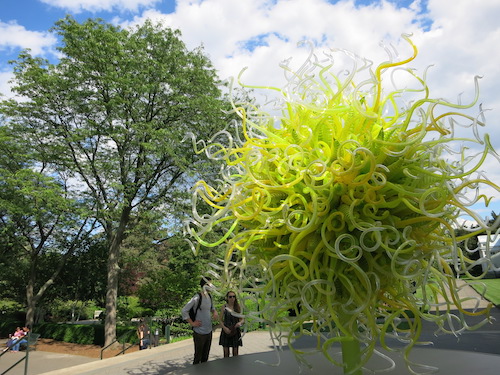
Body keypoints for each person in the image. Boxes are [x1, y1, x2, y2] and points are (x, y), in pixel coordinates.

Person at [181, 276, 219, 364]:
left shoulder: (209, 296)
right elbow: (184, 310)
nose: (210, 286)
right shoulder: (197, 297)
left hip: (208, 330)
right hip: (199, 332)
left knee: (205, 357)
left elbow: (212, 307)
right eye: (208, 284)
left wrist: (214, 311)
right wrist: (192, 323)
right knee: (198, 356)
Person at [219, 291, 244, 357]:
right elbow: (220, 320)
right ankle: (226, 367)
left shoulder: (237, 307)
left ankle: (235, 367)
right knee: (226, 352)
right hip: (226, 329)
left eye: (234, 296)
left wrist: (239, 323)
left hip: (235, 330)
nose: (232, 298)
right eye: (230, 297)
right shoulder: (224, 307)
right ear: (227, 298)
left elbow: (242, 319)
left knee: (235, 352)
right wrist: (224, 328)